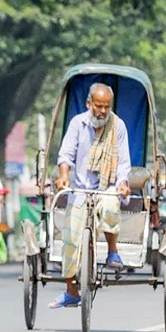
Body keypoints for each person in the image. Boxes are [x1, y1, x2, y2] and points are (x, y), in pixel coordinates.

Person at [49, 83, 131, 308]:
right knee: (70, 240)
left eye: (106, 106)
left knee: (111, 204)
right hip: (80, 189)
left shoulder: (118, 126)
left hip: (107, 186)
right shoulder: (77, 124)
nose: (103, 111)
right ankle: (71, 291)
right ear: (89, 104)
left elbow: (124, 162)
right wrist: (64, 176)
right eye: (98, 106)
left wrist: (122, 183)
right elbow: (65, 156)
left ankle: (113, 252)